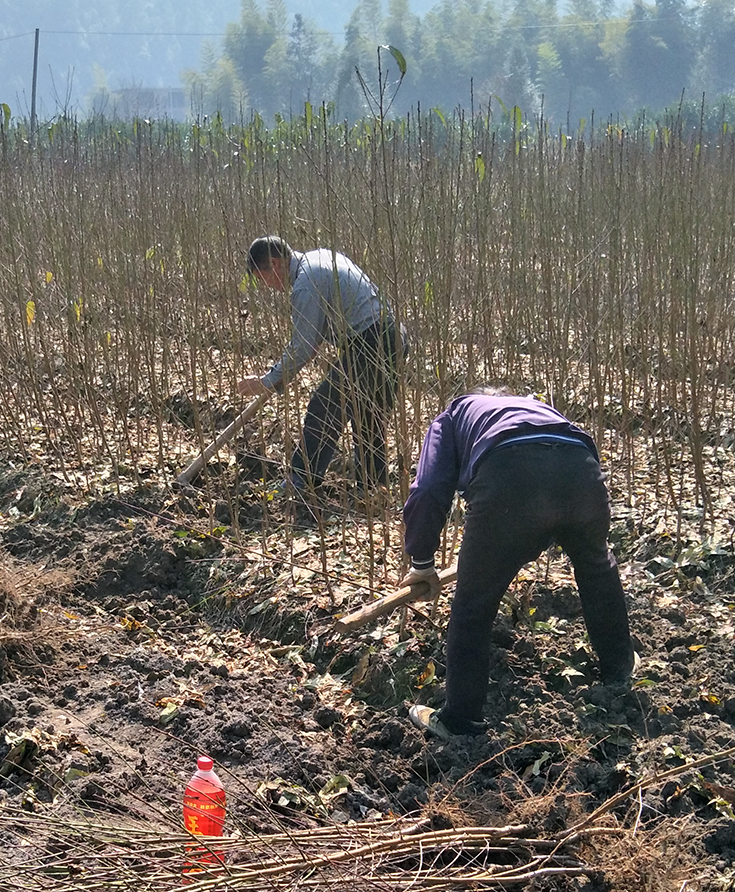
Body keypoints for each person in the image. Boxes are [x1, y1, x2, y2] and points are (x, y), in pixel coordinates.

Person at [400, 391, 636, 740]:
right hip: (581, 470)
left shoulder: (449, 418)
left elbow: (428, 489)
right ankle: (619, 670)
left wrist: (421, 562)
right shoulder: (536, 407)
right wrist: (551, 525)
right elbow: (567, 460)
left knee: (473, 603)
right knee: (596, 565)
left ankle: (460, 722)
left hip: (510, 475)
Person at [237, 236, 404, 508]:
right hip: (393, 337)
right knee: (368, 417)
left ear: (275, 264)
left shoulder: (305, 283)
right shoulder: (320, 257)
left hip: (371, 342)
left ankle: (301, 481)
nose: (267, 287)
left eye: (263, 278)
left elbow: (303, 345)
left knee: (324, 406)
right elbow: (313, 342)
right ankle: (374, 491)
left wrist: (269, 380)